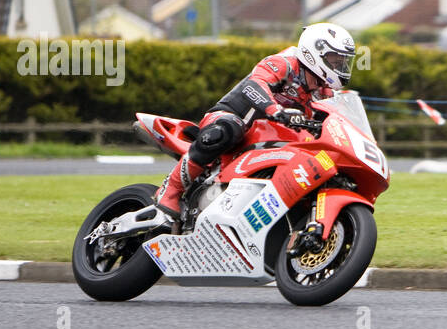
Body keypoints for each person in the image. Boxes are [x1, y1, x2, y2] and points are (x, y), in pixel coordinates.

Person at [151, 22, 357, 226]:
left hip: (271, 139)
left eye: (343, 62)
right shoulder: (285, 63)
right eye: (335, 60)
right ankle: (170, 191)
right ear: (315, 52)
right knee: (226, 131)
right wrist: (275, 110)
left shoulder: (325, 91)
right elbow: (254, 85)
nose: (340, 66)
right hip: (233, 117)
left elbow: (335, 117)